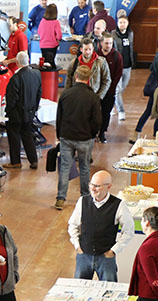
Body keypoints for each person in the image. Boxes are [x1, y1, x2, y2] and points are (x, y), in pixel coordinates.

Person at [68, 170, 134, 281]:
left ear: (109, 186)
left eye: (97, 186)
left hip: (106, 258)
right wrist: (77, 246)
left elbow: (128, 231)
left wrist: (114, 251)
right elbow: (73, 225)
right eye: (91, 185)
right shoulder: (82, 201)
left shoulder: (119, 205)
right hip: (84, 255)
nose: (93, 189)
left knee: (110, 292)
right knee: (79, 292)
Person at [55, 65, 101, 210]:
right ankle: (85, 197)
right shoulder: (93, 97)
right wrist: (92, 134)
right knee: (85, 168)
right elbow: (97, 120)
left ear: (76, 77)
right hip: (85, 138)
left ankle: (60, 198)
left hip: (67, 136)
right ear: (89, 79)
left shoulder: (66, 94)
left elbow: (59, 117)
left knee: (65, 167)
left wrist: (59, 134)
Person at [4, 52, 41, 170]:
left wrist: (8, 112)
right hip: (30, 112)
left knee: (14, 136)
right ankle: (33, 160)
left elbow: (12, 99)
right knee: (28, 135)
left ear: (17, 63)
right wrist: (34, 108)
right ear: (28, 60)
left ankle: (15, 162)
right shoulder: (36, 74)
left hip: (16, 114)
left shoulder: (15, 78)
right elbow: (38, 94)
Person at [133, 39, 158, 142]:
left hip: (156, 89)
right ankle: (143, 133)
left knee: (154, 112)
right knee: (156, 112)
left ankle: (145, 133)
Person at [66, 38, 111, 127]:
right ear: (81, 49)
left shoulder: (101, 62)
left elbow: (107, 80)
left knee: (92, 121)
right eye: (85, 49)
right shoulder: (74, 63)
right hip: (77, 97)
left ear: (93, 49)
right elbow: (69, 80)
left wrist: (99, 96)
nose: (88, 52)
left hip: (93, 96)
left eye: (90, 49)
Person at [96, 32, 123, 143]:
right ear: (101, 43)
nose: (108, 45)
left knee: (106, 113)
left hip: (109, 91)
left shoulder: (117, 56)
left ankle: (102, 132)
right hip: (96, 90)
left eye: (110, 43)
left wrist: (110, 89)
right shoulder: (96, 55)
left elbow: (118, 74)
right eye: (106, 43)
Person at [113, 16, 135, 121]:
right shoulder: (113, 34)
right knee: (117, 90)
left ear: (127, 23)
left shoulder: (131, 33)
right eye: (120, 22)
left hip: (128, 66)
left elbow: (131, 48)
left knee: (121, 89)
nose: (122, 24)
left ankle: (112, 104)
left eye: (124, 22)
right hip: (117, 66)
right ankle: (121, 111)